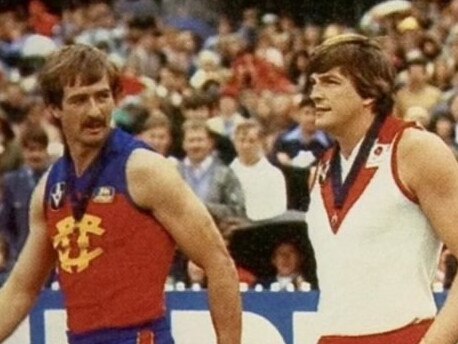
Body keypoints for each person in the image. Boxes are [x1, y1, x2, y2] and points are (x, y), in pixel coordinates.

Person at [0, 44, 241, 344]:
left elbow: (218, 262)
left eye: (102, 96)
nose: (95, 111)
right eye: (79, 100)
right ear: (54, 108)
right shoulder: (49, 188)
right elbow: (21, 289)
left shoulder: (145, 169)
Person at [306, 33, 458, 344]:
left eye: (330, 82)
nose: (315, 95)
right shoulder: (320, 171)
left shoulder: (415, 150)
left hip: (404, 335)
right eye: (314, 83)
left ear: (369, 92)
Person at [0, 124, 51, 261]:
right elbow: (5, 224)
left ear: (46, 151)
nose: (36, 155)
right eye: (31, 150)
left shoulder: (56, 180)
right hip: (21, 257)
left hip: (51, 260)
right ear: (23, 151)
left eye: (40, 149)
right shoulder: (11, 181)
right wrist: (14, 250)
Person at [230, 119, 287, 221]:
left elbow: (279, 210)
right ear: (235, 142)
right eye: (242, 140)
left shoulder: (274, 175)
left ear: (261, 142)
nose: (246, 146)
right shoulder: (226, 173)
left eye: (251, 141)